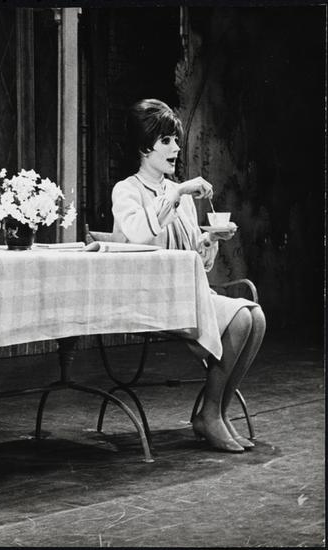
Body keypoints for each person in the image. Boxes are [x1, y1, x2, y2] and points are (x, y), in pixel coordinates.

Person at [111, 98, 266, 453]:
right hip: (149, 296)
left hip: (186, 291)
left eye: (176, 140)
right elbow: (139, 234)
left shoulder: (176, 193)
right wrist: (179, 192)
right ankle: (210, 414)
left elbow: (196, 259)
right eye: (166, 141)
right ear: (144, 147)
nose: (176, 148)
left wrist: (210, 240)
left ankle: (217, 412)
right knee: (242, 318)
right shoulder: (127, 190)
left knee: (256, 318)